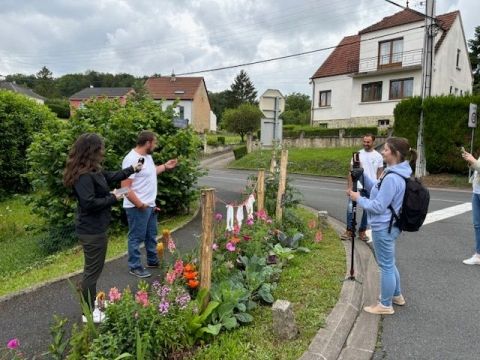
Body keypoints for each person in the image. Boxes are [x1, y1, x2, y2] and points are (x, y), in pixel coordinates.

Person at [63, 133, 140, 322]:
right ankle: (88, 314)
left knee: (92, 270)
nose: (102, 152)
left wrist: (132, 169)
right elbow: (89, 203)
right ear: (92, 151)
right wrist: (114, 197)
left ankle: (90, 306)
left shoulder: (93, 171)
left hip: (95, 228)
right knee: (92, 271)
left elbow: (111, 176)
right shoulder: (83, 176)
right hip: (91, 231)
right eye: (100, 148)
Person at [348, 137, 415, 315]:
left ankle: (385, 305)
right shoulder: (393, 172)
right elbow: (376, 187)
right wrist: (362, 174)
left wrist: (358, 199)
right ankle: (396, 295)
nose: (383, 152)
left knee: (385, 265)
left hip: (383, 227)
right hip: (389, 225)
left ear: (395, 153)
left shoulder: (393, 177)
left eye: (385, 149)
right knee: (389, 263)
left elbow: (378, 206)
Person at [121, 131, 178, 278]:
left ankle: (152, 261)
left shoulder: (147, 158)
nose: (156, 145)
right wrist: (140, 204)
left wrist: (165, 166)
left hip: (149, 206)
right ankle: (135, 266)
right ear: (148, 143)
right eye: (155, 142)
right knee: (136, 237)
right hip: (137, 207)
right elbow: (125, 187)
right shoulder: (131, 159)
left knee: (151, 236)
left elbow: (150, 173)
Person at [341, 134, 384, 241]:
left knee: (367, 210)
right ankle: (349, 230)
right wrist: (349, 187)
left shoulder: (378, 156)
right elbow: (351, 172)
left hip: (371, 188)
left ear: (373, 142)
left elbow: (380, 174)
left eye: (368, 142)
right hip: (357, 187)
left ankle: (362, 231)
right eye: (364, 141)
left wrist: (379, 188)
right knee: (350, 208)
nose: (365, 144)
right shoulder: (357, 155)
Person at [461, 149, 480, 265]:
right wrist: (471, 161)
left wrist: (473, 160)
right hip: (477, 191)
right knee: (477, 225)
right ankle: (478, 254)